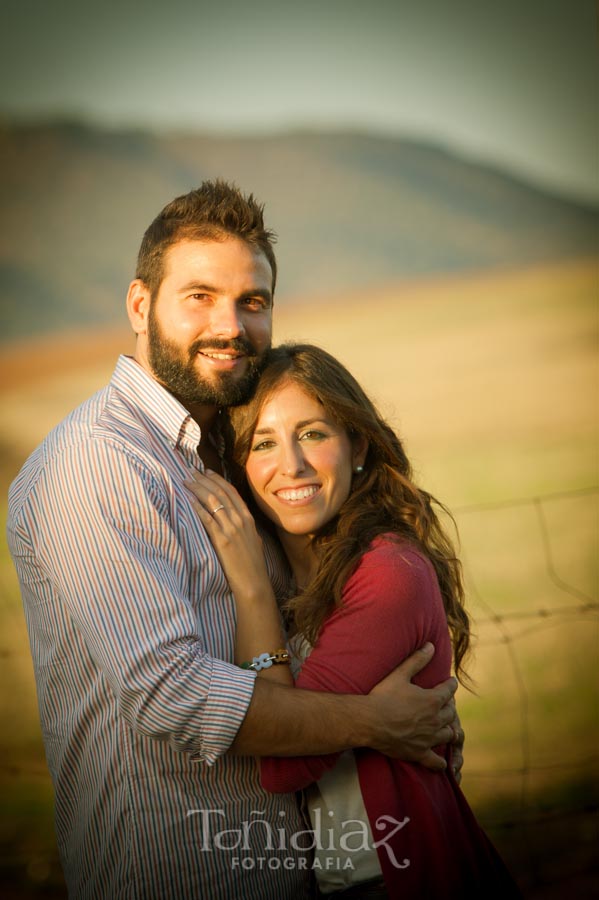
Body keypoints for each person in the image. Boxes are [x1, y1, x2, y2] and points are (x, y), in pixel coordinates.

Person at [7, 182, 462, 900]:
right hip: (180, 875)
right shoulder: (99, 462)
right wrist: (375, 722)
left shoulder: (223, 449)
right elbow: (174, 695)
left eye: (252, 301)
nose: (231, 324)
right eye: (199, 297)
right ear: (138, 305)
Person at [185, 342, 522, 899]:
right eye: (263, 443)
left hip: (402, 877)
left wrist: (250, 590)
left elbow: (281, 767)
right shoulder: (301, 575)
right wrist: (375, 718)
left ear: (357, 445)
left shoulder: (388, 573)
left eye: (313, 434)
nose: (290, 464)